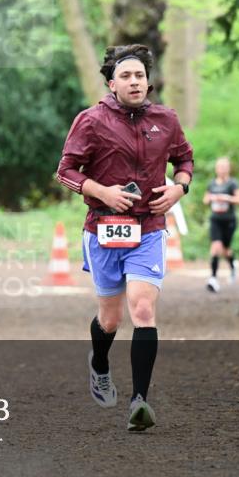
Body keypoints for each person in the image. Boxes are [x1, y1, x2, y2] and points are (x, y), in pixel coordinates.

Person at [57, 44, 194, 432]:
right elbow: (66, 171)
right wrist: (103, 192)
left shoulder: (166, 119)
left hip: (148, 228)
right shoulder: (91, 121)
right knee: (110, 318)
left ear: (148, 82)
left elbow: (184, 159)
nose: (134, 82)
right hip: (103, 229)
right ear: (111, 84)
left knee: (143, 309)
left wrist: (179, 188)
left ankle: (139, 401)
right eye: (126, 76)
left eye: (140, 76)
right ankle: (100, 364)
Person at [203, 157, 239, 292]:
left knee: (226, 250)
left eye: (224, 167)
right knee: (216, 247)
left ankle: (233, 266)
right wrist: (211, 198)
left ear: (228, 169)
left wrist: (227, 198)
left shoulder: (233, 183)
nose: (221, 169)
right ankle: (213, 279)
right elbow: (205, 200)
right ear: (216, 169)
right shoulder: (211, 183)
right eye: (219, 167)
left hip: (229, 221)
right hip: (215, 220)